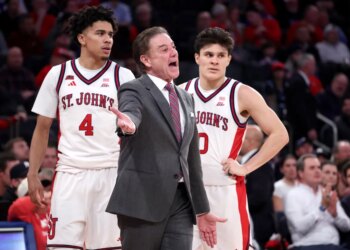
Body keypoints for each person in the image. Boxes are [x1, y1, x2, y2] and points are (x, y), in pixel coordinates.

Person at [106, 26, 225, 250]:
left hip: (180, 201)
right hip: (142, 200)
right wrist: (128, 125)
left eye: (173, 47)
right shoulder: (134, 89)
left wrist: (202, 209)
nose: (173, 53)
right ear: (146, 60)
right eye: (163, 49)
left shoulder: (185, 97)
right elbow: (131, 112)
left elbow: (191, 159)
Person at [27, 6, 135, 250]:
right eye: (100, 33)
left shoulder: (124, 76)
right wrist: (33, 173)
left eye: (110, 34)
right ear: (82, 39)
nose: (108, 39)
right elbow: (42, 128)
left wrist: (131, 128)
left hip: (110, 173)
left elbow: (137, 124)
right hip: (69, 173)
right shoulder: (58, 74)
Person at [181, 27, 289, 250]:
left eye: (221, 56)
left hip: (224, 186)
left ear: (229, 60)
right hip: (186, 191)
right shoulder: (180, 92)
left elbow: (280, 134)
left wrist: (247, 167)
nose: (214, 61)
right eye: (209, 55)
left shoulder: (241, 93)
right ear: (197, 57)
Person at [285, 154, 350, 250]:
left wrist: (335, 214)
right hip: (306, 246)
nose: (317, 171)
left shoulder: (329, 193)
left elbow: (347, 226)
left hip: (333, 246)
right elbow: (300, 227)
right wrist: (321, 208)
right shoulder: (293, 195)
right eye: (312, 168)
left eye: (319, 167)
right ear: (301, 173)